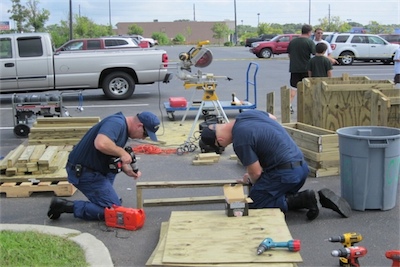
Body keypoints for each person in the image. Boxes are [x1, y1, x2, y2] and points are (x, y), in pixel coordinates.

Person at [200, 110, 351, 220]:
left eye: (221, 146)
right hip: (301, 169)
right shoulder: (246, 115)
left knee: (255, 203)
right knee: (269, 190)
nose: (223, 147)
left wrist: (253, 183)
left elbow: (256, 173)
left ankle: (307, 199)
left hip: (286, 175)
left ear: (219, 139)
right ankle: (290, 197)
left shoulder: (240, 140)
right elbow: (272, 117)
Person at [47, 111, 160, 221]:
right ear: (139, 126)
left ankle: (105, 198)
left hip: (96, 168)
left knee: (114, 168)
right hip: (84, 172)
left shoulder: (123, 127)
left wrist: (127, 170)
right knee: (113, 210)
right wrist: (122, 152)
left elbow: (112, 153)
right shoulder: (116, 123)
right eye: (145, 134)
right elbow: (101, 144)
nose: (143, 138)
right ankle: (63, 206)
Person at [287, 24, 316, 114]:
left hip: (294, 69)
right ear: (309, 32)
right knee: (307, 88)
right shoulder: (309, 42)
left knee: (293, 88)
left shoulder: (293, 42)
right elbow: (315, 53)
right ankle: (308, 106)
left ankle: (289, 105)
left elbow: (289, 54)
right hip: (306, 69)